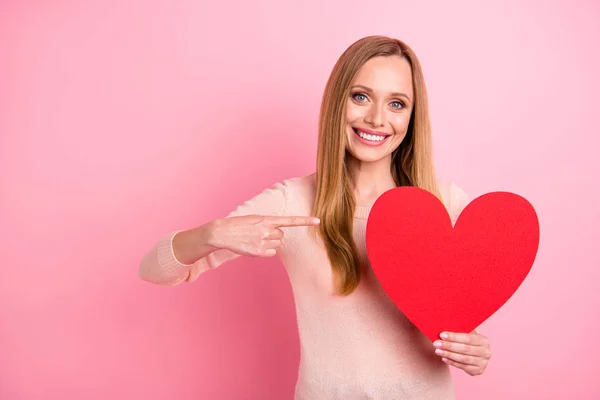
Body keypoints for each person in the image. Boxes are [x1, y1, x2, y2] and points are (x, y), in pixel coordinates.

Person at [139, 35, 492, 399]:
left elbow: (462, 322)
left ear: (412, 117)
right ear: (337, 101)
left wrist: (474, 350)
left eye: (397, 103)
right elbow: (152, 270)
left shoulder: (444, 203)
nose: (376, 118)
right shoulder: (292, 204)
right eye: (361, 96)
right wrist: (212, 233)